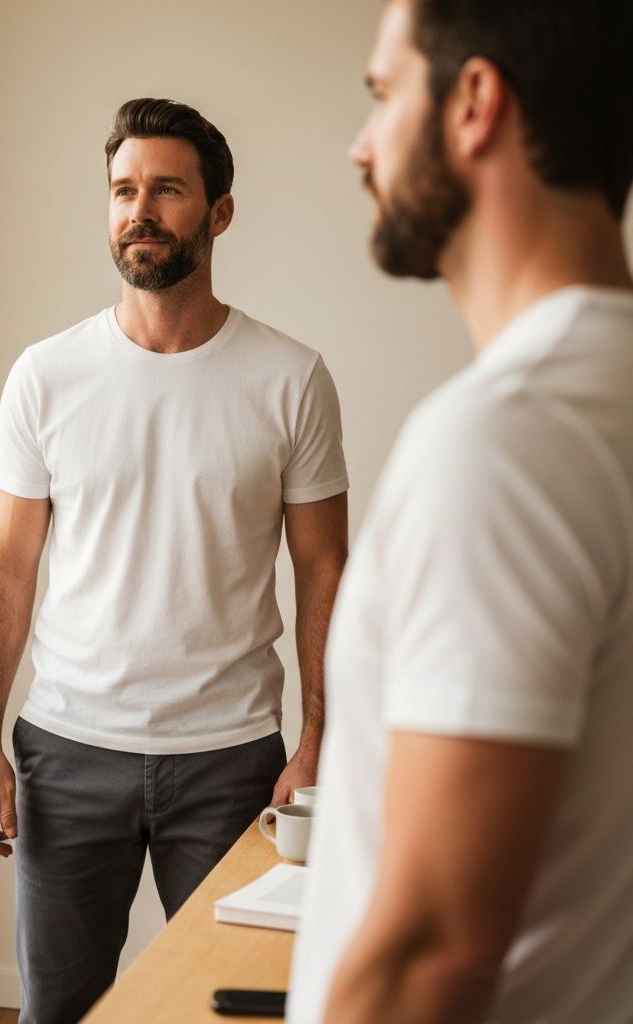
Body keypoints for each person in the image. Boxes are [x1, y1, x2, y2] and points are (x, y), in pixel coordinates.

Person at [0, 98, 349, 1024]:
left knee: (234, 1008)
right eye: (123, 189)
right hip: (66, 750)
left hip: (229, 760)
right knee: (58, 1009)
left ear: (218, 213)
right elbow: (7, 569)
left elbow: (325, 571)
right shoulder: (45, 376)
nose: (140, 210)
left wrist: (320, 738)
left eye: (167, 190)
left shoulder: (291, 379)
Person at [290, 1, 633, 1022]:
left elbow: (433, 951)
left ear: (473, 103)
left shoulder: (505, 440)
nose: (360, 147)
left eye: (383, 96)